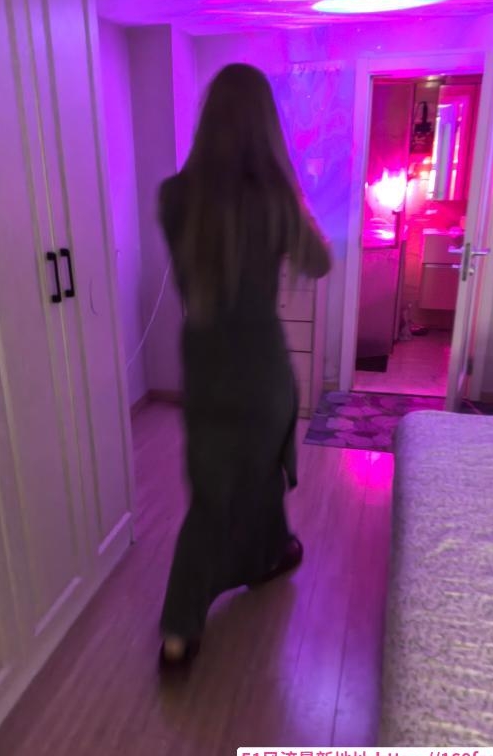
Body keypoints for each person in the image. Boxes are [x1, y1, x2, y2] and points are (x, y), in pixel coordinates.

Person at [157, 63, 331, 670]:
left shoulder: (172, 196)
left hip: (204, 370)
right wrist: (296, 198)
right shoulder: (277, 200)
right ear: (265, 127)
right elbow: (320, 264)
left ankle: (255, 567)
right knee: (250, 479)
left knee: (219, 489)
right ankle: (181, 621)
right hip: (260, 372)